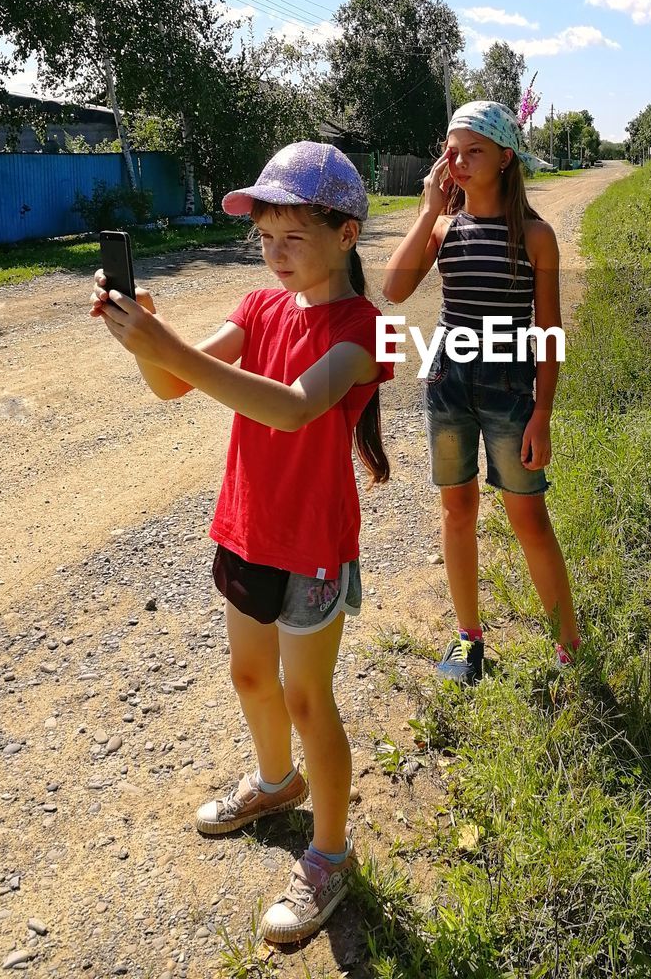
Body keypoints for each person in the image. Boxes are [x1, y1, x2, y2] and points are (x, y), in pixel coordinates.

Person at [89, 141, 393, 944]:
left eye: (292, 236)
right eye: (264, 237)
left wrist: (171, 349)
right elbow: (173, 384)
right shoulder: (258, 310)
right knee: (250, 676)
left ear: (346, 235)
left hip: (311, 543)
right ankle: (274, 782)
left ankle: (331, 853)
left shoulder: (367, 330)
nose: (274, 253)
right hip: (246, 526)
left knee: (305, 696)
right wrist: (144, 335)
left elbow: (294, 407)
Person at [382, 101, 580, 685]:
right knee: (456, 508)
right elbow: (394, 289)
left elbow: (549, 333)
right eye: (452, 150)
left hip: (511, 388)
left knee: (528, 516)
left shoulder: (537, 237)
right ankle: (469, 640)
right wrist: (426, 212)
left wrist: (543, 413)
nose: (459, 161)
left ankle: (569, 648)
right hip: (449, 381)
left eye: (474, 151)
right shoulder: (444, 228)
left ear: (505, 158)